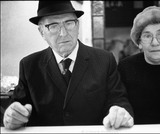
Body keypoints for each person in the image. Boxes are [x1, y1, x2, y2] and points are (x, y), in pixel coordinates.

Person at [3, 1, 134, 130]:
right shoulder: (29, 65)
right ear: (42, 32)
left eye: (69, 23)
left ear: (77, 25)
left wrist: (119, 112)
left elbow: (118, 100)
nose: (63, 33)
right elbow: (17, 108)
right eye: (53, 26)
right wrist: (12, 117)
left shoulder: (105, 60)